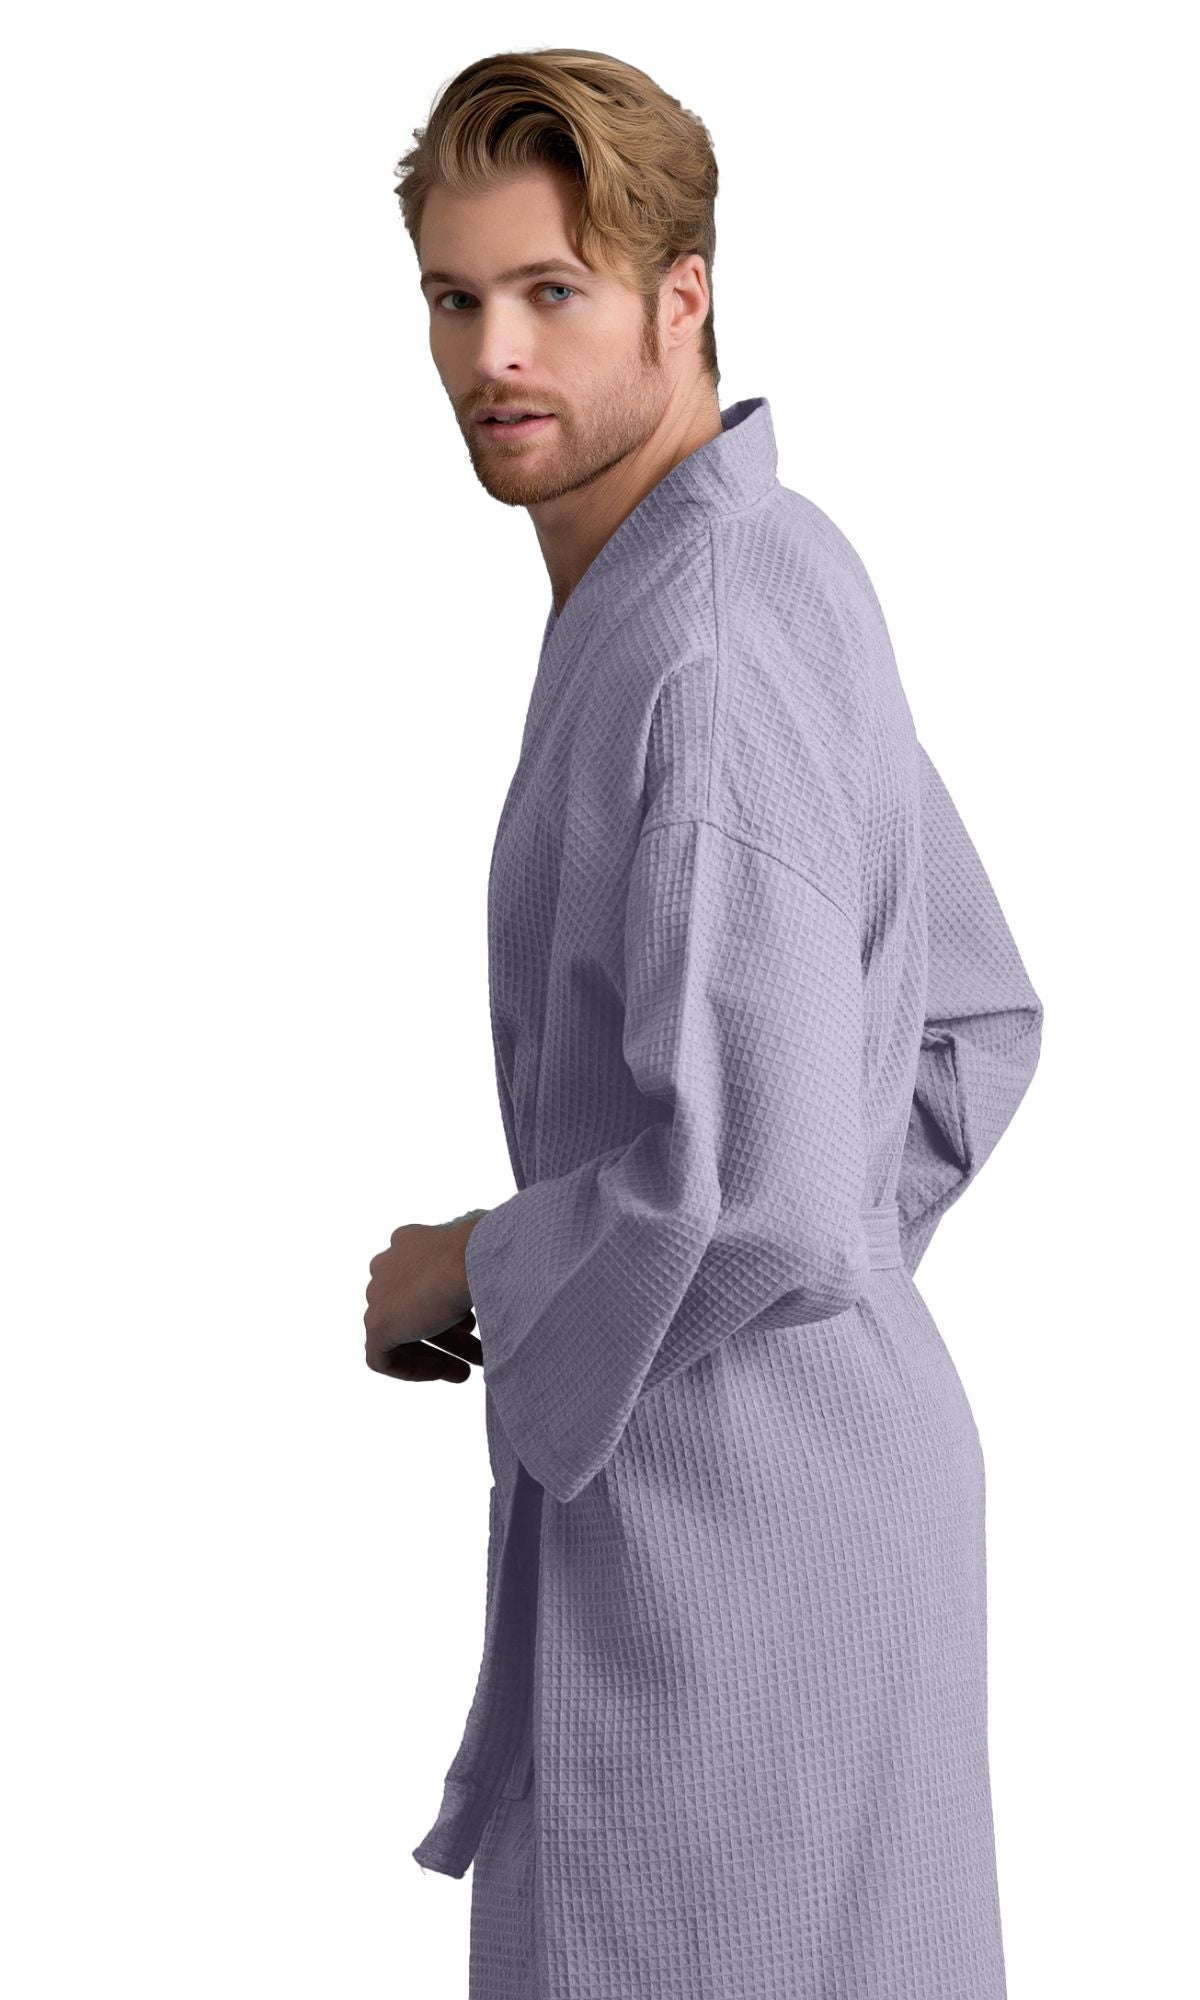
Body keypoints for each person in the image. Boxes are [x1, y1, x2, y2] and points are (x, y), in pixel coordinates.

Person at [364, 47, 1044, 2000]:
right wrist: (796, 1297)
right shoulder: (765, 561)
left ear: (684, 299)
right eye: (454, 296)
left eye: (550, 291)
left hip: (729, 1556)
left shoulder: (707, 647)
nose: (494, 353)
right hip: (824, 1492)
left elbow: (762, 1187)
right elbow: (963, 1031)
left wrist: (477, 1267)